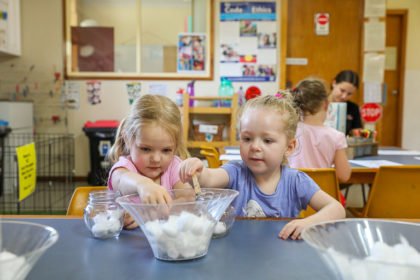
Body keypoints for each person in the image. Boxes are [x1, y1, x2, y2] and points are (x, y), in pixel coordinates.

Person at [179, 94, 345, 240]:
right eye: (247, 138)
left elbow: (337, 209)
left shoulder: (295, 181)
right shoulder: (235, 172)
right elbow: (209, 178)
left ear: (289, 147)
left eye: (267, 141)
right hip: (240, 254)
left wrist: (308, 222)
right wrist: (198, 171)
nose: (255, 147)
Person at [107, 94, 191, 228]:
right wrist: (143, 185)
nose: (156, 159)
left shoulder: (174, 166)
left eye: (166, 150)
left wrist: (147, 214)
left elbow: (188, 200)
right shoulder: (124, 168)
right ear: (128, 140)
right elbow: (121, 179)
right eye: (146, 149)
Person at [288, 78, 351, 184]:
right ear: (326, 104)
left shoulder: (286, 132)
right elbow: (344, 176)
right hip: (322, 197)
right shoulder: (336, 136)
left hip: (291, 196)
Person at [330, 70, 362, 136]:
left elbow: (356, 130)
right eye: (342, 90)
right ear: (334, 83)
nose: (344, 96)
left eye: (349, 94)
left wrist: (357, 133)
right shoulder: (319, 103)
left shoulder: (353, 108)